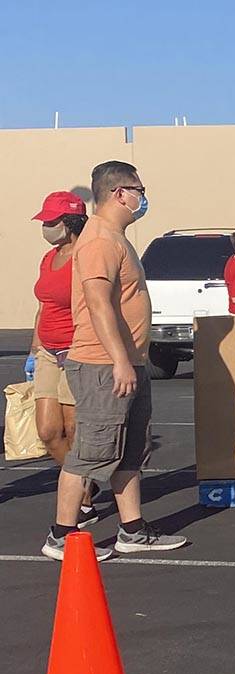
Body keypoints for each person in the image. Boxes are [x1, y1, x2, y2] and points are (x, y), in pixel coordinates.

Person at [45, 161, 188, 562]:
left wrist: (132, 361)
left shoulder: (116, 238)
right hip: (101, 364)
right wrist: (119, 361)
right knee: (91, 453)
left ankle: (132, 530)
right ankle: (61, 535)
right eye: (139, 190)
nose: (143, 198)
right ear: (119, 193)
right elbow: (97, 305)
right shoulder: (100, 241)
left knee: (130, 451)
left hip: (129, 362)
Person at [28, 191, 98, 528]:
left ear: (70, 223)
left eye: (51, 221)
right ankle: (84, 490)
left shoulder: (86, 256)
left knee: (73, 429)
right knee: (47, 430)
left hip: (77, 348)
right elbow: (43, 305)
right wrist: (33, 349)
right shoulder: (48, 257)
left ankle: (82, 497)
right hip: (47, 350)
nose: (45, 227)